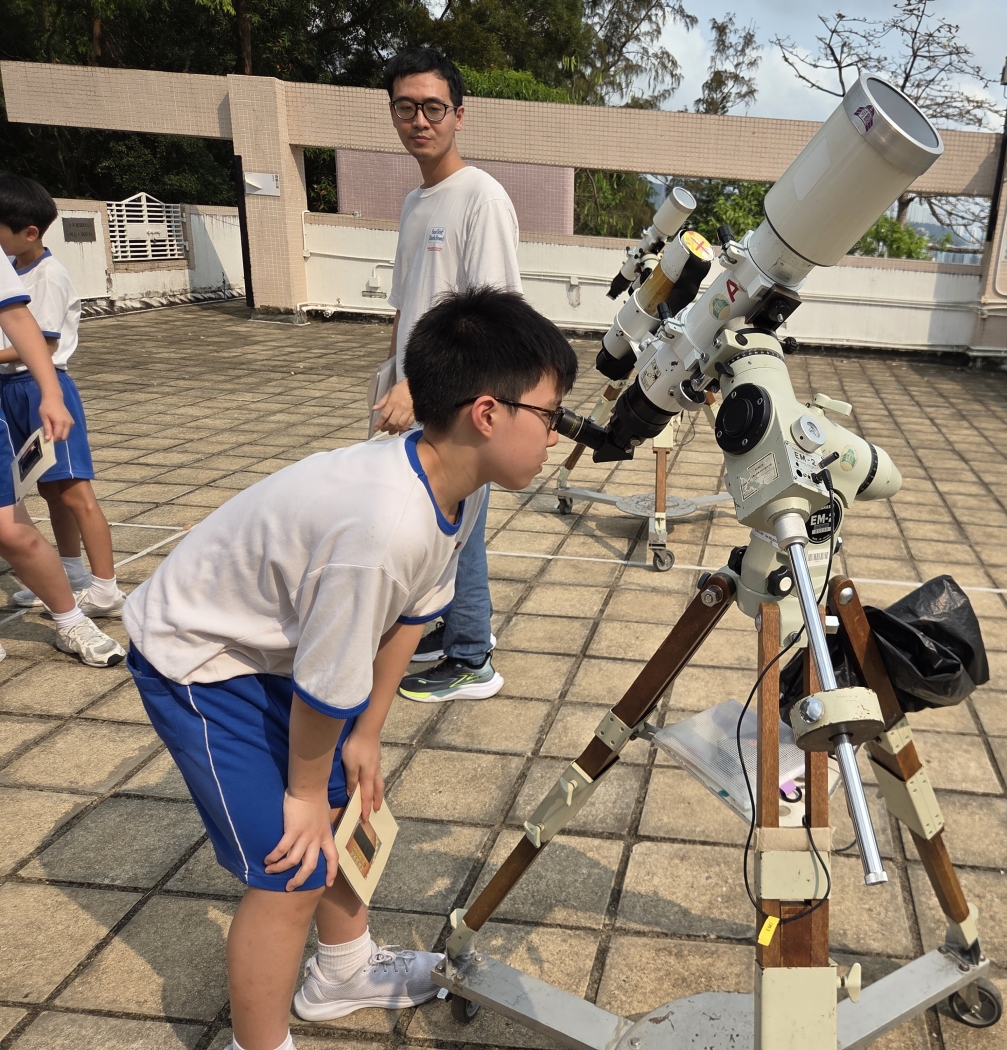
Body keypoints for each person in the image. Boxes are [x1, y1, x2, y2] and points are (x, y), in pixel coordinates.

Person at [122, 288, 577, 1050]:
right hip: (198, 656)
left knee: (341, 813)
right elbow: (327, 680)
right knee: (290, 865)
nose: (557, 435)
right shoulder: (383, 524)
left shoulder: (455, 487)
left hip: (271, 648)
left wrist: (366, 733)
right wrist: (303, 793)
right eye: (550, 415)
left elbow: (410, 617)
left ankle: (341, 972)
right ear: (487, 414)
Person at [372, 47, 523, 705]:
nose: (420, 121)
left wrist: (424, 385)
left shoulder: (480, 197)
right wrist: (391, 374)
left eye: (433, 108)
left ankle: (471, 658)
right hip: (416, 394)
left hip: (460, 397)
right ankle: (442, 629)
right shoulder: (415, 201)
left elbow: (491, 315)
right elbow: (407, 305)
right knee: (434, 525)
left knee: (459, 530)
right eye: (406, 108)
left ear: (459, 115)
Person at [0, 174, 125, 619]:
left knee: (75, 489)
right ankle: (72, 573)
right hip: (10, 390)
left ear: (29, 232)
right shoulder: (11, 268)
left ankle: (106, 588)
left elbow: (44, 343)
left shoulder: (49, 275)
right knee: (49, 488)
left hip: (42, 386)